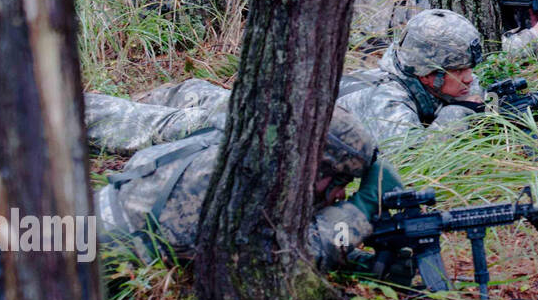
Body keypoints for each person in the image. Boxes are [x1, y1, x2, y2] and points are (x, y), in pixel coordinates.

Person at [95, 106, 404, 271]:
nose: (339, 195)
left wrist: (363, 262)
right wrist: (362, 208)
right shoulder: (245, 181)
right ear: (311, 167)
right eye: (338, 182)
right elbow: (287, 264)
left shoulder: (255, 151)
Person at [337, 8, 484, 143]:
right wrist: (457, 113)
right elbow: (413, 161)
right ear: (425, 75)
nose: (469, 78)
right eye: (458, 71)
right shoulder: (384, 101)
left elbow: (476, 93)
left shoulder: (437, 79)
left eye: (469, 68)